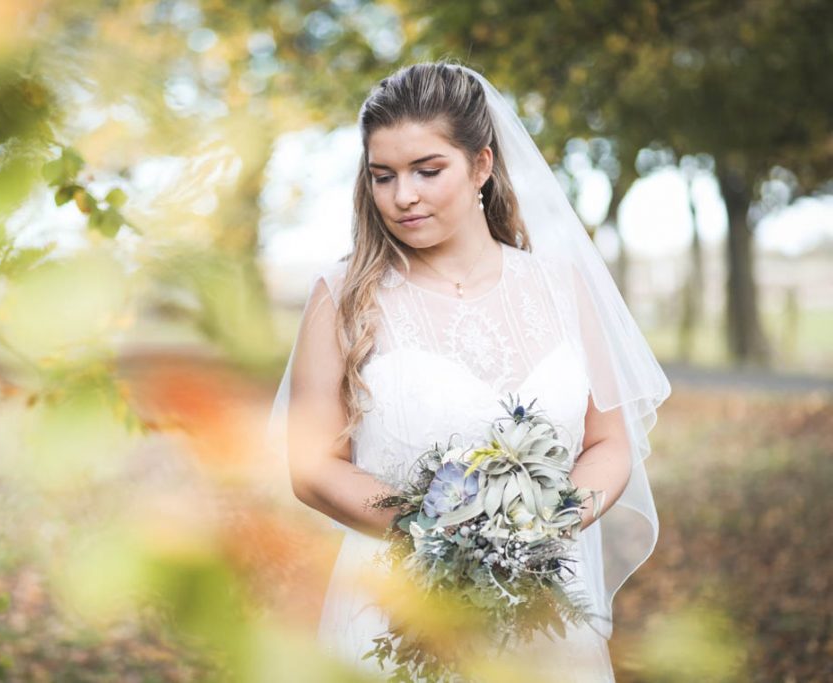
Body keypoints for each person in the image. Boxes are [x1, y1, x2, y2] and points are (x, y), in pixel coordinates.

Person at [269, 61, 671, 681]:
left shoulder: (564, 287)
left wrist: (546, 524)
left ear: (481, 165)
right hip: (400, 612)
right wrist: (441, 536)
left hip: (545, 610)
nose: (403, 195)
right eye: (383, 176)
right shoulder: (344, 296)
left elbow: (608, 443)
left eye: (427, 171)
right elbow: (312, 465)